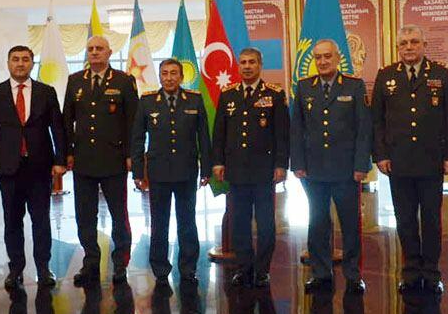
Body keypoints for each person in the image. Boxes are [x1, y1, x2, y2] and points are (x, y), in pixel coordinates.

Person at [372, 26, 448, 295]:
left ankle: (432, 272)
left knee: (432, 219)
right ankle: (410, 270)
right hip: (398, 161)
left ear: (424, 45)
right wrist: (381, 154)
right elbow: (377, 120)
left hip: (432, 160)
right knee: (405, 219)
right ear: (398, 47)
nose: (408, 47)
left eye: (413, 42)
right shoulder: (386, 75)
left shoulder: (441, 74)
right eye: (403, 43)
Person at [0, 45, 67, 291]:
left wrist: (60, 160)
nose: (20, 64)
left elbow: (58, 129)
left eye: (25, 59)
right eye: (15, 59)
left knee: (41, 220)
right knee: (12, 221)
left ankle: (43, 268)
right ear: (8, 63)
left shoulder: (46, 92)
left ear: (31, 63)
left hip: (39, 167)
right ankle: (15, 268)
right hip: (8, 167)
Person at [292, 39, 372, 294]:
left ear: (337, 58)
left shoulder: (354, 86)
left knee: (350, 224)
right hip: (313, 170)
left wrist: (361, 165)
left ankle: (353, 274)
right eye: (318, 57)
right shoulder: (304, 87)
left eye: (328, 56)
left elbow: (363, 129)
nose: (323, 61)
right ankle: (321, 272)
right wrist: (298, 164)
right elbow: (297, 129)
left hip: (346, 169)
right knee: (317, 223)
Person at [62, 35, 138, 287]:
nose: (94, 52)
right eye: (91, 49)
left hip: (114, 160)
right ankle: (91, 262)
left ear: (109, 53)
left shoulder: (123, 81)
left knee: (119, 214)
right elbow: (66, 121)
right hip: (83, 160)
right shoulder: (75, 81)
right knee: (85, 215)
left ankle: (120, 262)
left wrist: (131, 155)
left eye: (99, 49)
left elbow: (133, 122)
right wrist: (68, 152)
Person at [212, 47, 289, 289]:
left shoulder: (274, 94)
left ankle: (262, 270)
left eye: (252, 62)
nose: (247, 66)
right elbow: (220, 132)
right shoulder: (228, 95)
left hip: (264, 171)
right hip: (236, 171)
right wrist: (218, 161)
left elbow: (282, 134)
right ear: (239, 65)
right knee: (240, 223)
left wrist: (281, 165)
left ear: (260, 65)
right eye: (243, 62)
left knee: (266, 224)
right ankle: (244, 268)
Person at [131, 58, 211, 288]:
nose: (169, 78)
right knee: (159, 223)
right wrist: (138, 171)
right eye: (165, 73)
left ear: (181, 77)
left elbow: (204, 137)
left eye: (173, 73)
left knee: (187, 222)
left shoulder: (194, 99)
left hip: (187, 171)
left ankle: (188, 268)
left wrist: (206, 169)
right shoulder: (147, 101)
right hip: (159, 173)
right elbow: (137, 139)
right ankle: (160, 269)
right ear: (160, 76)